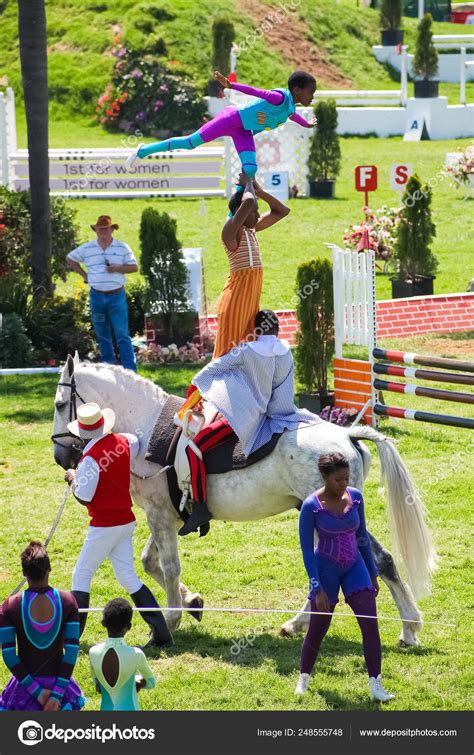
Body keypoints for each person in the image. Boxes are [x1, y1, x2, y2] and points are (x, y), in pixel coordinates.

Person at [177, 310, 319, 536]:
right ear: (278, 329)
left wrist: (194, 390)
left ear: (256, 330)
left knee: (193, 448)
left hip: (244, 418)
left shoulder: (245, 351)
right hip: (278, 414)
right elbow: (284, 394)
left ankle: (200, 507)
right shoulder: (285, 352)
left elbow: (212, 370)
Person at [176, 175, 290, 422]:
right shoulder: (230, 232)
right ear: (240, 212)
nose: (258, 215)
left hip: (249, 303)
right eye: (255, 212)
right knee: (225, 359)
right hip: (236, 302)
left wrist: (258, 189)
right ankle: (191, 408)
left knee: (243, 359)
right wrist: (248, 183)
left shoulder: (251, 229)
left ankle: (233, 411)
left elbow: (282, 210)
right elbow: (248, 203)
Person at [65, 401, 172, 649]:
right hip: (125, 520)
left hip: (105, 525)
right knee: (127, 576)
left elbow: (84, 496)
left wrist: (72, 479)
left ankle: (73, 637)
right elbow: (135, 442)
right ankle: (162, 632)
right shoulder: (122, 441)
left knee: (81, 574)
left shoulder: (90, 459)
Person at [296, 453, 395, 702]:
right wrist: (316, 587)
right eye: (338, 479)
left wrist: (372, 573)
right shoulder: (311, 506)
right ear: (325, 477)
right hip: (325, 570)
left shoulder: (356, 498)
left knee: (370, 625)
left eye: (346, 478)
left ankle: (376, 685)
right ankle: (304, 678)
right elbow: (307, 550)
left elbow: (362, 537)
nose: (343, 484)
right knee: (318, 629)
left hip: (355, 567)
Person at [126, 70, 317, 177]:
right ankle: (143, 150)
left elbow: (291, 115)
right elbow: (255, 91)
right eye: (311, 92)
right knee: (190, 143)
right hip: (231, 120)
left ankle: (238, 209)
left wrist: (306, 124)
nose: (313, 97)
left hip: (244, 130)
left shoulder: (290, 106)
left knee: (251, 168)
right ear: (298, 90)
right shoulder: (278, 97)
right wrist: (231, 86)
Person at [0, 541, 84, 711]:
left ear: (24, 573)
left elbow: (9, 655)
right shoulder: (68, 601)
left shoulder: (9, 606)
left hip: (25, 689)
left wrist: (38, 692)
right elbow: (72, 651)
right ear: (50, 569)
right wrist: (56, 696)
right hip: (60, 688)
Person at [66, 215, 138, 372]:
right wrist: (84, 276)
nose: (103, 231)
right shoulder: (87, 248)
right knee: (102, 335)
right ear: (95, 230)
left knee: (122, 335)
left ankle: (130, 371)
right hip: (97, 296)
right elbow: (70, 259)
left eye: (106, 228)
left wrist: (117, 268)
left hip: (116, 295)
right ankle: (109, 370)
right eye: (100, 229)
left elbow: (134, 267)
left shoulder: (122, 247)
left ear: (112, 229)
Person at [89, 598, 156, 711]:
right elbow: (151, 683)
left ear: (103, 623)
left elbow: (98, 684)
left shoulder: (93, 652)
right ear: (129, 626)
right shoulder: (136, 654)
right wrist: (137, 681)